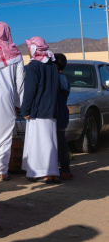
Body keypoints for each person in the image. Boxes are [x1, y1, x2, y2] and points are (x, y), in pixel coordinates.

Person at [0, 22, 25, 181]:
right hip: (7, 98)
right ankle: (2, 170)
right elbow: (20, 83)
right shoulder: (16, 54)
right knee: (4, 135)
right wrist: (20, 103)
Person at [21, 37, 60, 183]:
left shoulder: (33, 67)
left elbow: (30, 91)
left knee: (40, 143)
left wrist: (25, 110)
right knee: (50, 142)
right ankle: (52, 172)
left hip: (38, 111)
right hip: (51, 110)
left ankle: (43, 173)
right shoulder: (52, 65)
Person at [54, 52, 73, 180]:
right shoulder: (63, 78)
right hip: (62, 114)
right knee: (61, 143)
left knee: (60, 144)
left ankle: (65, 170)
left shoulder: (58, 78)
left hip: (59, 115)